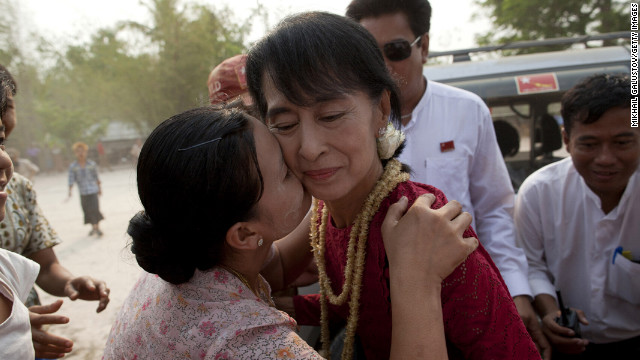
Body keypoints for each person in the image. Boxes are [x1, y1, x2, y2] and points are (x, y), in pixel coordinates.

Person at [245, 11, 539, 360]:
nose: (310, 148)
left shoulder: (424, 226)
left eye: (331, 116)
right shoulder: (325, 212)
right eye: (285, 124)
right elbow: (352, 302)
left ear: (381, 109)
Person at [102, 103, 479, 360]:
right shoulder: (253, 344)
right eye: (283, 169)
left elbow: (276, 266)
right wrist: (416, 278)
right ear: (246, 235)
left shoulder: (182, 255)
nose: (303, 155)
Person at [343, 2, 549, 358]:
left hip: (469, 295)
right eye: (366, 53)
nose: (381, 66)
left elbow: (495, 211)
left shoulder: (467, 111)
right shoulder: (345, 125)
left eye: (395, 50)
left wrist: (516, 291)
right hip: (380, 306)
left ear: (423, 46)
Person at [515, 74, 639, 359]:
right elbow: (531, 265)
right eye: (590, 144)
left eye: (622, 143)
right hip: (568, 346)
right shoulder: (538, 192)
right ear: (567, 141)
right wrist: (552, 313)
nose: (606, 158)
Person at [1, 64, 110, 359]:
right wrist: (10, 335)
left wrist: (69, 282)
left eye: (7, 105)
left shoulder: (17, 188)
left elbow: (45, 265)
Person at [68, 142, 104, 237]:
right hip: (83, 192)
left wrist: (100, 189)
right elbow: (71, 179)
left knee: (95, 209)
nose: (81, 153)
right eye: (78, 151)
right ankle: (93, 227)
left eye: (82, 151)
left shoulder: (92, 164)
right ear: (75, 153)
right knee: (87, 210)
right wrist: (70, 191)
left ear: (86, 152)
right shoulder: (73, 166)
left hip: (93, 190)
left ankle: (97, 228)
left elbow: (96, 177)